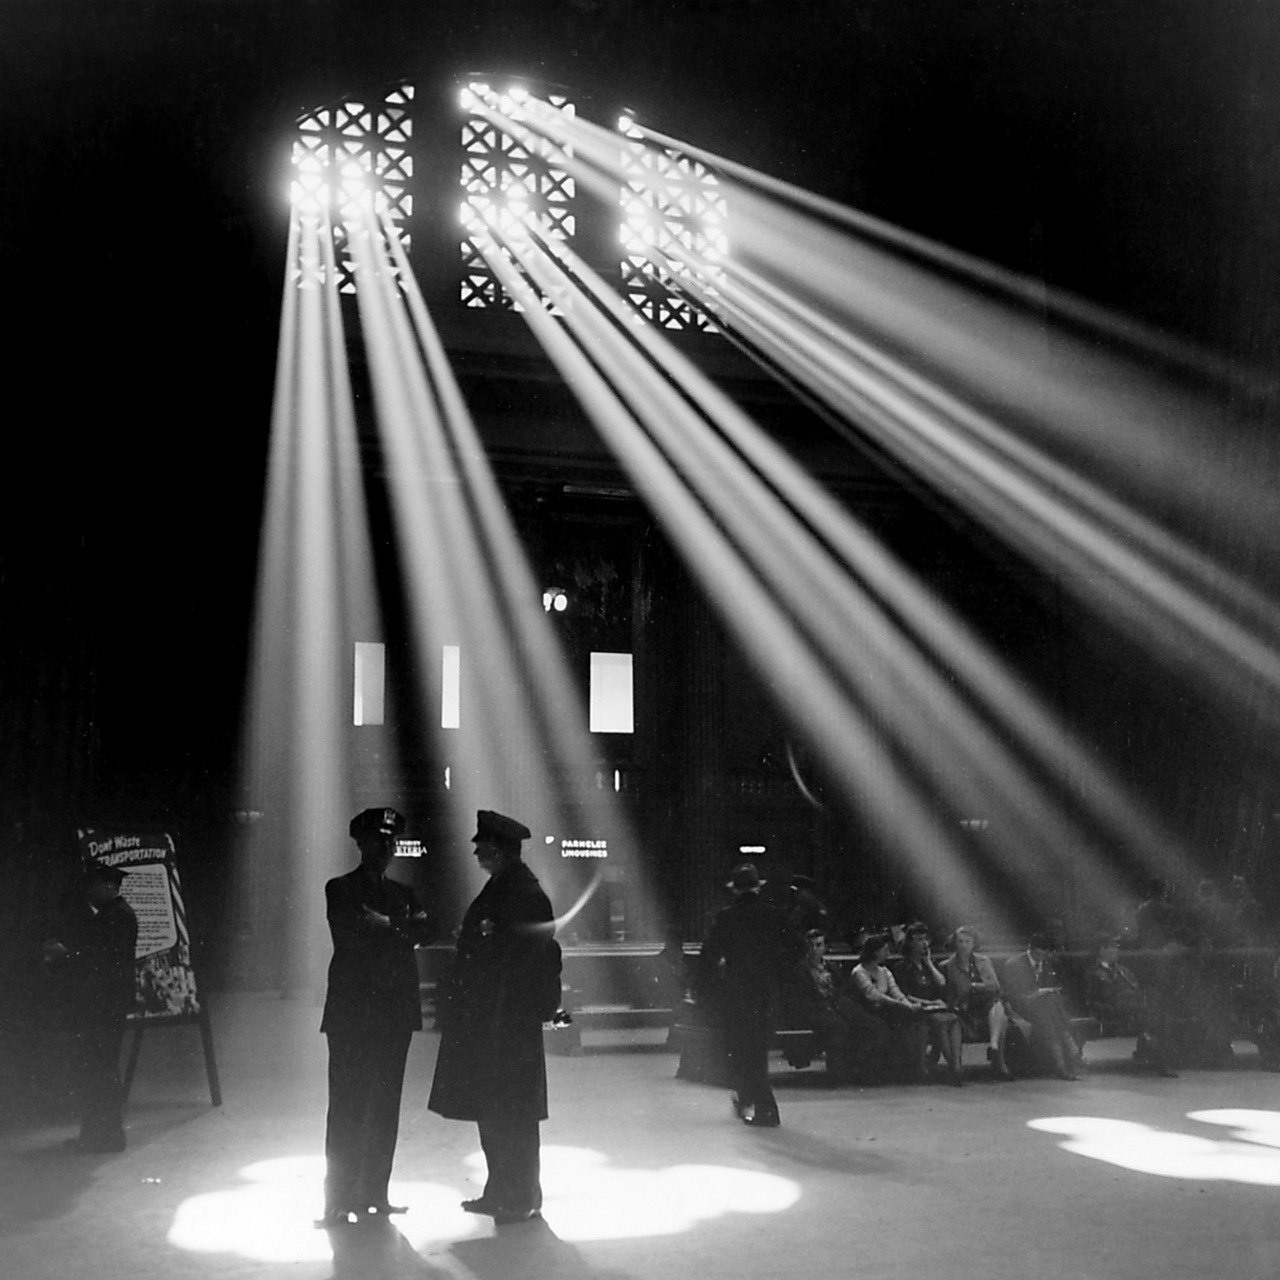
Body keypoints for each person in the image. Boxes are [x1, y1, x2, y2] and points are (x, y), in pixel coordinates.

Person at [429, 810, 561, 1224]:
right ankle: (500, 1189)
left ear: (501, 850)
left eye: (482, 846)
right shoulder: (503, 887)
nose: (476, 852)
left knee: (514, 1113)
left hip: (509, 1021)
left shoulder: (524, 893)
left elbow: (537, 956)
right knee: (494, 1109)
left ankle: (522, 1196)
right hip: (490, 1019)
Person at [318, 807, 435, 1227]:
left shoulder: (401, 893)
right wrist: (400, 928)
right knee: (347, 1106)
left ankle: (374, 1194)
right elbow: (351, 935)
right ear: (361, 844)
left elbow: (430, 930)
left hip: (392, 1015)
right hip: (354, 1015)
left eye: (391, 842)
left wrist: (384, 924)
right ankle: (337, 1199)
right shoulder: (340, 889)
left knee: (385, 1107)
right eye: (378, 842)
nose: (386, 849)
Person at [43, 861, 139, 1153]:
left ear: (109, 887)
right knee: (101, 1069)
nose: (89, 893)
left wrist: (64, 955)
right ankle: (99, 1135)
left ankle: (103, 1136)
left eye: (94, 887)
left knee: (100, 1069)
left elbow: (98, 960)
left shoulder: (116, 917)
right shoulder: (117, 914)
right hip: (108, 1003)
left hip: (104, 1004)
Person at [699, 862, 801, 1127]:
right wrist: (777, 967)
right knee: (756, 1049)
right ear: (758, 886)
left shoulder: (727, 916)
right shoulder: (774, 915)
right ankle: (748, 1098)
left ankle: (766, 1108)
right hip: (766, 991)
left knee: (744, 1050)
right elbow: (798, 947)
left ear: (734, 889)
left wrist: (702, 988)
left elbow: (709, 955)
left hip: (737, 992)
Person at [1084, 936, 1176, 1076]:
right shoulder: (1093, 973)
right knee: (1154, 1017)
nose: (1116, 952)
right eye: (1112, 948)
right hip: (1113, 1007)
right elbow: (1093, 998)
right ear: (1102, 950)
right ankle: (1159, 1058)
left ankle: (1159, 1056)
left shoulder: (1124, 971)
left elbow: (1135, 988)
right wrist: (1107, 1008)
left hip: (1132, 1007)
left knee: (1157, 1013)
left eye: (1116, 949)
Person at [1000, 933, 1086, 1080]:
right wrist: (1032, 996)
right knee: (1049, 1006)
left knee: (1048, 1009)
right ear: (1030, 949)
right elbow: (1011, 994)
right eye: (1037, 954)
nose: (1041, 958)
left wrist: (1046, 993)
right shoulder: (1014, 964)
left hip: (1045, 1009)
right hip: (1022, 1006)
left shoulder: (1051, 963)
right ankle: (1070, 1048)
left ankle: (1061, 1067)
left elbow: (1059, 986)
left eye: (1044, 954)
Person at [849, 933, 932, 1082]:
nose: (888, 953)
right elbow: (873, 995)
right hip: (867, 1011)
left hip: (886, 1010)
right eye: (885, 950)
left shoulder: (885, 971)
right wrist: (901, 1005)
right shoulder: (859, 972)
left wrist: (909, 1006)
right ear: (875, 951)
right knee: (883, 1030)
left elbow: (896, 992)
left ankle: (917, 1065)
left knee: (915, 1020)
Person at [894, 923, 964, 1085]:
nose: (924, 943)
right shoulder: (902, 967)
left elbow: (941, 984)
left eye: (926, 939)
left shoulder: (929, 966)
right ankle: (954, 1068)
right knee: (941, 1022)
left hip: (935, 1008)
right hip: (918, 1010)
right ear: (910, 943)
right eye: (919, 939)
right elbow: (906, 995)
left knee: (953, 1020)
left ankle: (957, 1065)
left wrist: (929, 963)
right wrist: (929, 1002)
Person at [939, 925, 1012, 1080]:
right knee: (1000, 1015)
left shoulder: (983, 961)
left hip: (986, 1003)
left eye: (967, 941)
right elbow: (950, 994)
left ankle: (994, 1047)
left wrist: (974, 986)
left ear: (973, 944)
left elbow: (995, 986)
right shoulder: (947, 966)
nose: (964, 945)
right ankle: (996, 1060)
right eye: (960, 941)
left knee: (998, 1007)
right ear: (955, 943)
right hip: (964, 1006)